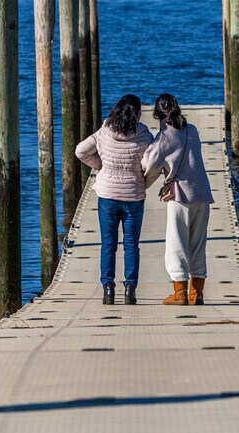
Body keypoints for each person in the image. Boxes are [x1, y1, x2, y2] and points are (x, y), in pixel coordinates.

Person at [76, 94, 154, 305]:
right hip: (133, 196)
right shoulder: (144, 136)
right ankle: (130, 289)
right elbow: (152, 163)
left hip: (107, 196)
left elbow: (81, 151)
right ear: (138, 113)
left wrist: (101, 166)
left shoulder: (104, 131)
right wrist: (142, 178)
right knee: (131, 245)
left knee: (108, 245)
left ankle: (108, 289)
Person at [142, 93, 214, 305]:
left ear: (157, 114)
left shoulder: (164, 138)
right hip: (202, 192)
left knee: (177, 244)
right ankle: (197, 294)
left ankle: (180, 293)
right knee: (198, 244)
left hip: (181, 195)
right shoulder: (192, 130)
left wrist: (143, 183)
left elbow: (148, 165)